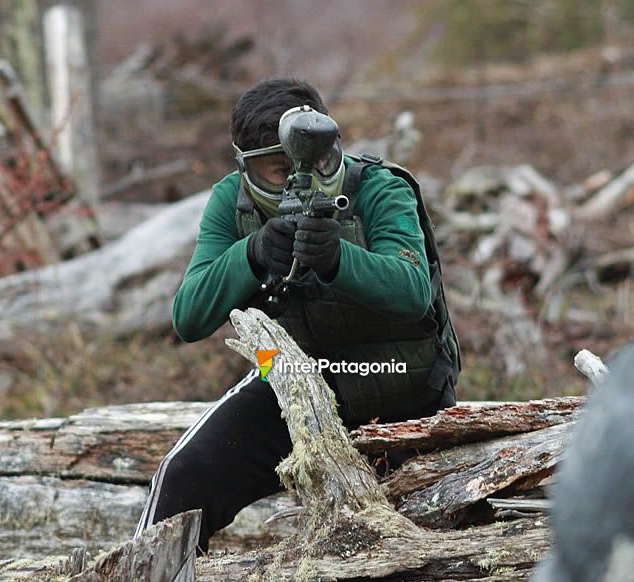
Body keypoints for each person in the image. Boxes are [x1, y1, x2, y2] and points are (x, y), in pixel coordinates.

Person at [136, 78, 459, 549]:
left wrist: (338, 260)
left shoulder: (380, 189)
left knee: (419, 531)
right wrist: (253, 253)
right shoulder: (233, 201)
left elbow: (413, 292)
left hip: (405, 388)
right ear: (247, 170)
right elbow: (188, 317)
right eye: (278, 168)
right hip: (291, 380)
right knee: (184, 477)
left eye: (315, 161)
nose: (297, 180)